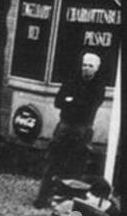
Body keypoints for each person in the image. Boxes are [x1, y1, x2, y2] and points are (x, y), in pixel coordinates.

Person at [36, 52, 108, 207]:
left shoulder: (99, 87)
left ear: (96, 69)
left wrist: (71, 101)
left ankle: (69, 200)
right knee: (53, 161)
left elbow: (90, 106)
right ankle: (43, 197)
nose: (86, 69)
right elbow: (58, 101)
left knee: (76, 165)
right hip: (65, 125)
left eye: (90, 66)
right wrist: (74, 102)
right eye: (84, 65)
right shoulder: (71, 80)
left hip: (83, 128)